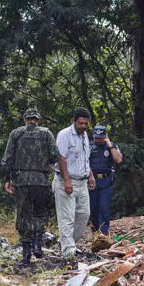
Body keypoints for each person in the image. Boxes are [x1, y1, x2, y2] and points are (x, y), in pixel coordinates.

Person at [1, 108, 60, 265]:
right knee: (40, 212)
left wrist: (7, 179)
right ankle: (38, 242)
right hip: (41, 180)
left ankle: (26, 254)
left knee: (23, 215)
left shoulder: (16, 133)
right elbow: (55, 155)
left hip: (22, 181)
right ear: (38, 120)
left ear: (25, 119)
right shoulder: (46, 133)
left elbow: (7, 159)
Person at [52, 108, 96, 257]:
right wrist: (67, 180)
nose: (83, 126)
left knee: (84, 214)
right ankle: (68, 251)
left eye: (85, 123)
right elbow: (61, 158)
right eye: (80, 123)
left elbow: (85, 158)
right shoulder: (65, 135)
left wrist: (91, 176)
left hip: (82, 181)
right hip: (66, 180)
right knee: (67, 217)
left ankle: (69, 242)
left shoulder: (84, 136)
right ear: (74, 121)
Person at [89, 126, 122, 235]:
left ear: (105, 136)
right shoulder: (89, 146)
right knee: (93, 208)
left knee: (104, 207)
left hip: (106, 180)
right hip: (92, 180)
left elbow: (118, 160)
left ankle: (104, 232)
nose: (98, 140)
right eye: (96, 138)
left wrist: (110, 146)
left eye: (101, 138)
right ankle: (94, 230)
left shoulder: (112, 146)